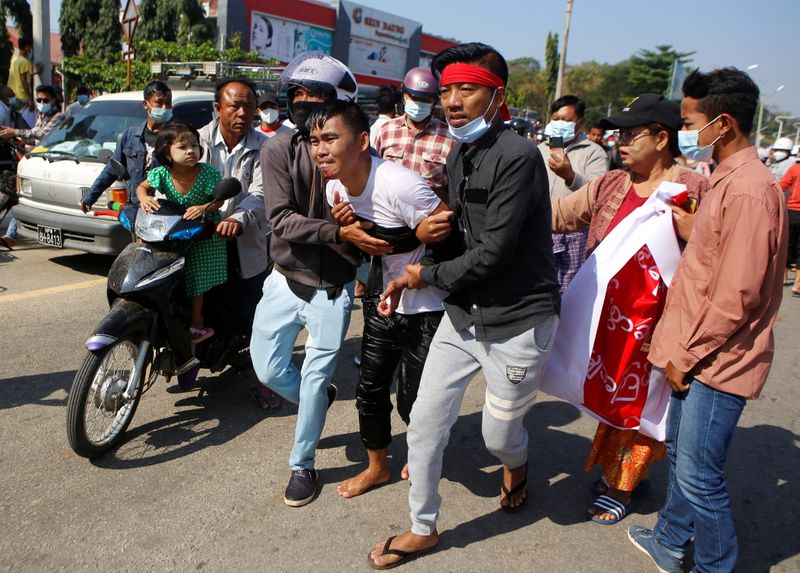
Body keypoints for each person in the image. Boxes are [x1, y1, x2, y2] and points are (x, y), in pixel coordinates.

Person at [368, 42, 560, 568]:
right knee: (425, 421)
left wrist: (419, 274)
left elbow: (494, 253)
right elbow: (461, 236)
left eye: (466, 89)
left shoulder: (518, 156)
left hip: (519, 319)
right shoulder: (460, 151)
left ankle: (516, 465)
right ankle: (422, 526)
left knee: (499, 436)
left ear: (498, 97)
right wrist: (419, 236)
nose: (452, 101)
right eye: (447, 89)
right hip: (463, 312)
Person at [627, 68, 788, 573]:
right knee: (681, 458)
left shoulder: (749, 190)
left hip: (717, 360)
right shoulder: (727, 179)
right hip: (695, 351)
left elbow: (736, 295)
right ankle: (671, 542)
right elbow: (715, 255)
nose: (684, 131)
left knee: (700, 476)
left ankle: (716, 566)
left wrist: (686, 358)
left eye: (690, 121)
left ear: (723, 122)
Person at [551, 93, 709, 525]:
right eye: (618, 133)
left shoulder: (693, 190)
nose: (620, 141)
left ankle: (624, 483)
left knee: (643, 405)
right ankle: (618, 473)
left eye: (630, 134)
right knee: (611, 399)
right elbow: (562, 215)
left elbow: (712, 252)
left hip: (660, 322)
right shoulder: (612, 184)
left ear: (661, 138)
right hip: (609, 318)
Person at [250, 52, 392, 508]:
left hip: (334, 290)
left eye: (317, 97)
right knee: (268, 369)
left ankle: (302, 462)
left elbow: (377, 218)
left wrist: (362, 232)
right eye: (297, 95)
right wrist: (336, 229)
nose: (305, 103)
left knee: (312, 382)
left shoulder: (359, 155)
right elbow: (282, 220)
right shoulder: (276, 150)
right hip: (284, 277)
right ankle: (319, 397)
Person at [309, 100, 450, 499]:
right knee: (369, 390)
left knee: (414, 398)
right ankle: (378, 467)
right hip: (382, 299)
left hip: (429, 305)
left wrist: (421, 266)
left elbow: (450, 233)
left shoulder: (400, 184)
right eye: (314, 140)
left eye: (331, 138)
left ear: (363, 141)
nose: (320, 149)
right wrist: (352, 229)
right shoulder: (334, 185)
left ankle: (422, 456)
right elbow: (372, 241)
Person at [196, 78, 275, 409]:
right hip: (200, 238)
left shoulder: (265, 147)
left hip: (245, 240)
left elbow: (260, 192)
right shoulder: (196, 139)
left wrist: (239, 217)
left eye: (248, 106)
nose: (242, 113)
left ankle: (265, 384)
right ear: (218, 108)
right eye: (234, 106)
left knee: (258, 315)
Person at [135, 122, 226, 342]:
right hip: (173, 230)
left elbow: (220, 198)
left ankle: (196, 323)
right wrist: (144, 199)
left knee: (194, 277)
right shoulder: (161, 174)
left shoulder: (206, 173)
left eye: (194, 146)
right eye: (182, 147)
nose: (190, 151)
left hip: (203, 233)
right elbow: (141, 187)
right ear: (167, 152)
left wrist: (204, 207)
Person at [539, 95, 609, 292]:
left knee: (567, 292)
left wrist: (570, 176)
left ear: (581, 122)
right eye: (556, 119)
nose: (560, 124)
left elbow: (599, 193)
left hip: (574, 235)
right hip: (540, 228)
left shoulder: (594, 153)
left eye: (567, 120)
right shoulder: (539, 150)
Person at [81, 80, 173, 212]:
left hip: (165, 210)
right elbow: (113, 168)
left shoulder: (176, 136)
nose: (164, 108)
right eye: (159, 103)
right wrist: (91, 195)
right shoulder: (131, 134)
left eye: (168, 103)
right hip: (136, 210)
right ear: (146, 104)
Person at [374, 67, 454, 204]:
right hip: (388, 216)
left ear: (435, 101)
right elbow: (372, 174)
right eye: (414, 97)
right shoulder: (386, 131)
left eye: (425, 100)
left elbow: (452, 189)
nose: (418, 104)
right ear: (404, 95)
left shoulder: (449, 138)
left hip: (430, 220)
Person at [0, 85, 64, 148]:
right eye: (39, 100)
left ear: (53, 101)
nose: (42, 103)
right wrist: (23, 141)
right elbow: (36, 137)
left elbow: (42, 134)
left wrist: (14, 132)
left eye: (45, 101)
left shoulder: (58, 116)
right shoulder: (41, 114)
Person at [780, 154, 800, 295]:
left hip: (792, 211)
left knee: (788, 244)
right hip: (793, 210)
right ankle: (798, 284)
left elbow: (781, 186)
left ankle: (784, 277)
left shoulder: (794, 169)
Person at [8, 38, 37, 112]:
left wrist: (36, 72)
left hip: (12, 96)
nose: (31, 49)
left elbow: (26, 75)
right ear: (27, 47)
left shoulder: (15, 60)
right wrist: (30, 99)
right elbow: (24, 81)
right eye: (30, 47)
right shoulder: (24, 62)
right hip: (21, 97)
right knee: (24, 121)